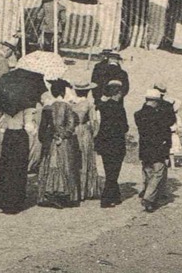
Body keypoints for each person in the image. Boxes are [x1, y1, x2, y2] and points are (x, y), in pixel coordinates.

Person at [36, 80, 85, 208]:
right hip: (63, 142)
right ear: (63, 92)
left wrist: (47, 139)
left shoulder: (47, 108)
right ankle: (63, 194)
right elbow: (71, 125)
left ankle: (48, 193)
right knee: (65, 166)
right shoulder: (67, 107)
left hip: (50, 141)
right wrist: (62, 136)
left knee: (50, 166)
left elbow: (42, 129)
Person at [134, 84, 178, 211]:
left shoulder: (138, 114)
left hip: (144, 146)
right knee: (158, 172)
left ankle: (150, 199)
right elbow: (168, 125)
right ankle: (148, 198)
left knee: (148, 171)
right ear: (156, 101)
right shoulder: (159, 115)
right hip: (158, 146)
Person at [94, 79, 130, 208]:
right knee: (113, 173)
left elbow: (98, 104)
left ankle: (116, 195)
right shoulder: (120, 109)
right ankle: (106, 199)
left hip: (104, 142)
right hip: (116, 143)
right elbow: (125, 127)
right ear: (118, 93)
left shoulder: (102, 106)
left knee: (109, 170)